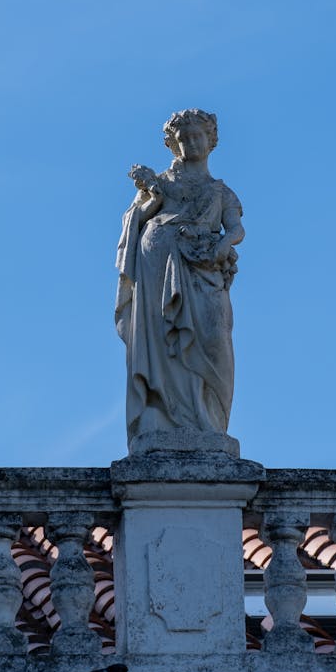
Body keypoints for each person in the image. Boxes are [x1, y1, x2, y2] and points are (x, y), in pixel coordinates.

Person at [115, 109, 244, 447]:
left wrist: (224, 242)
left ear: (211, 140)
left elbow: (236, 228)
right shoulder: (162, 182)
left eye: (197, 136)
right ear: (174, 144)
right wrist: (152, 200)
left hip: (204, 268)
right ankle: (163, 418)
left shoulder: (221, 191)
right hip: (158, 258)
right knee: (161, 337)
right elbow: (135, 219)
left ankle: (210, 424)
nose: (190, 142)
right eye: (183, 138)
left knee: (214, 337)